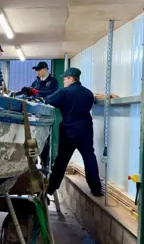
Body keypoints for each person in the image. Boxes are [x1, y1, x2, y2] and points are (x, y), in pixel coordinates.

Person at [45, 67, 103, 196]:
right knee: (89, 157)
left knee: (62, 160)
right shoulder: (88, 93)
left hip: (68, 130)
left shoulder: (64, 92)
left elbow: (48, 100)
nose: (64, 81)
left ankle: (51, 188)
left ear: (71, 79)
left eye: (65, 79)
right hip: (86, 129)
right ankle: (96, 189)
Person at [29, 61, 59, 169]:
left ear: (45, 69)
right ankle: (32, 164)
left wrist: (36, 92)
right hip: (35, 114)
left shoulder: (53, 81)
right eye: (36, 70)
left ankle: (44, 166)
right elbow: (31, 93)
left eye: (39, 69)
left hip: (45, 115)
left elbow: (51, 93)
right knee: (34, 139)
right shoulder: (35, 82)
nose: (37, 72)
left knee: (45, 140)